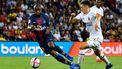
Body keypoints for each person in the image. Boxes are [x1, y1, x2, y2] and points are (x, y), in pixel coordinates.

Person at [28, 4, 77, 69]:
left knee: (51, 45)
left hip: (46, 34)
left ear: (41, 10)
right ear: (34, 10)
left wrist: (49, 29)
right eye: (36, 10)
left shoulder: (45, 16)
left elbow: (50, 24)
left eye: (39, 10)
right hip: (39, 39)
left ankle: (66, 55)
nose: (37, 11)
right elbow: (29, 27)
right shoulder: (31, 18)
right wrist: (32, 27)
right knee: (54, 54)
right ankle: (70, 64)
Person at [69, 1, 113, 69]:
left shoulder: (92, 12)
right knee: (98, 53)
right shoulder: (81, 14)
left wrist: (96, 23)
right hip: (91, 37)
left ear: (86, 7)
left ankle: (78, 65)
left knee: (82, 46)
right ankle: (109, 64)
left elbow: (99, 15)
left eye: (82, 7)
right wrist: (71, 16)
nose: (80, 8)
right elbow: (71, 22)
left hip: (98, 38)